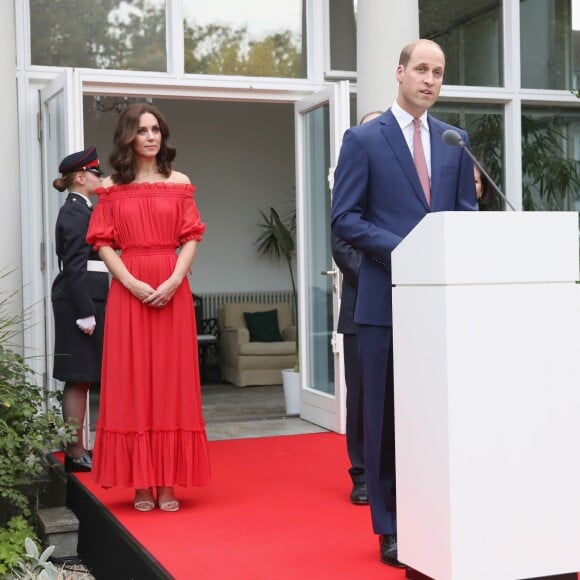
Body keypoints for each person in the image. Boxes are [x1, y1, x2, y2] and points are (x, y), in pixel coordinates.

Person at [331, 39, 478, 567]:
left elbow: (462, 218)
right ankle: (390, 527)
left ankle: (436, 515)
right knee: (388, 419)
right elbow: (344, 219)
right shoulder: (364, 139)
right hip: (384, 302)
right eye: (421, 69)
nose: (430, 80)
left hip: (440, 309)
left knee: (438, 418)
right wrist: (409, 253)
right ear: (399, 72)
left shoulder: (454, 141)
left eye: (438, 72)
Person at [86, 102, 210, 512]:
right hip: (129, 289)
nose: (151, 136)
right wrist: (131, 282)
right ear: (128, 137)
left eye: (156, 129)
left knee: (171, 381)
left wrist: (175, 279)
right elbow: (102, 242)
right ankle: (141, 483)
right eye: (142, 130)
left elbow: (192, 236)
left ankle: (168, 481)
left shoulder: (180, 182)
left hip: (172, 288)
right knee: (132, 382)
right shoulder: (109, 188)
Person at [331, 110, 383, 506]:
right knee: (362, 397)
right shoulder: (350, 192)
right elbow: (343, 248)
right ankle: (362, 474)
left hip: (409, 308)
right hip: (360, 309)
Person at [51, 145, 109, 473]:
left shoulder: (83, 209)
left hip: (88, 297)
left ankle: (78, 449)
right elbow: (74, 266)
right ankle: (75, 453)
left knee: (83, 378)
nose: (99, 177)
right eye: (95, 172)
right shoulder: (75, 212)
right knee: (78, 378)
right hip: (80, 299)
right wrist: (84, 311)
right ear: (80, 177)